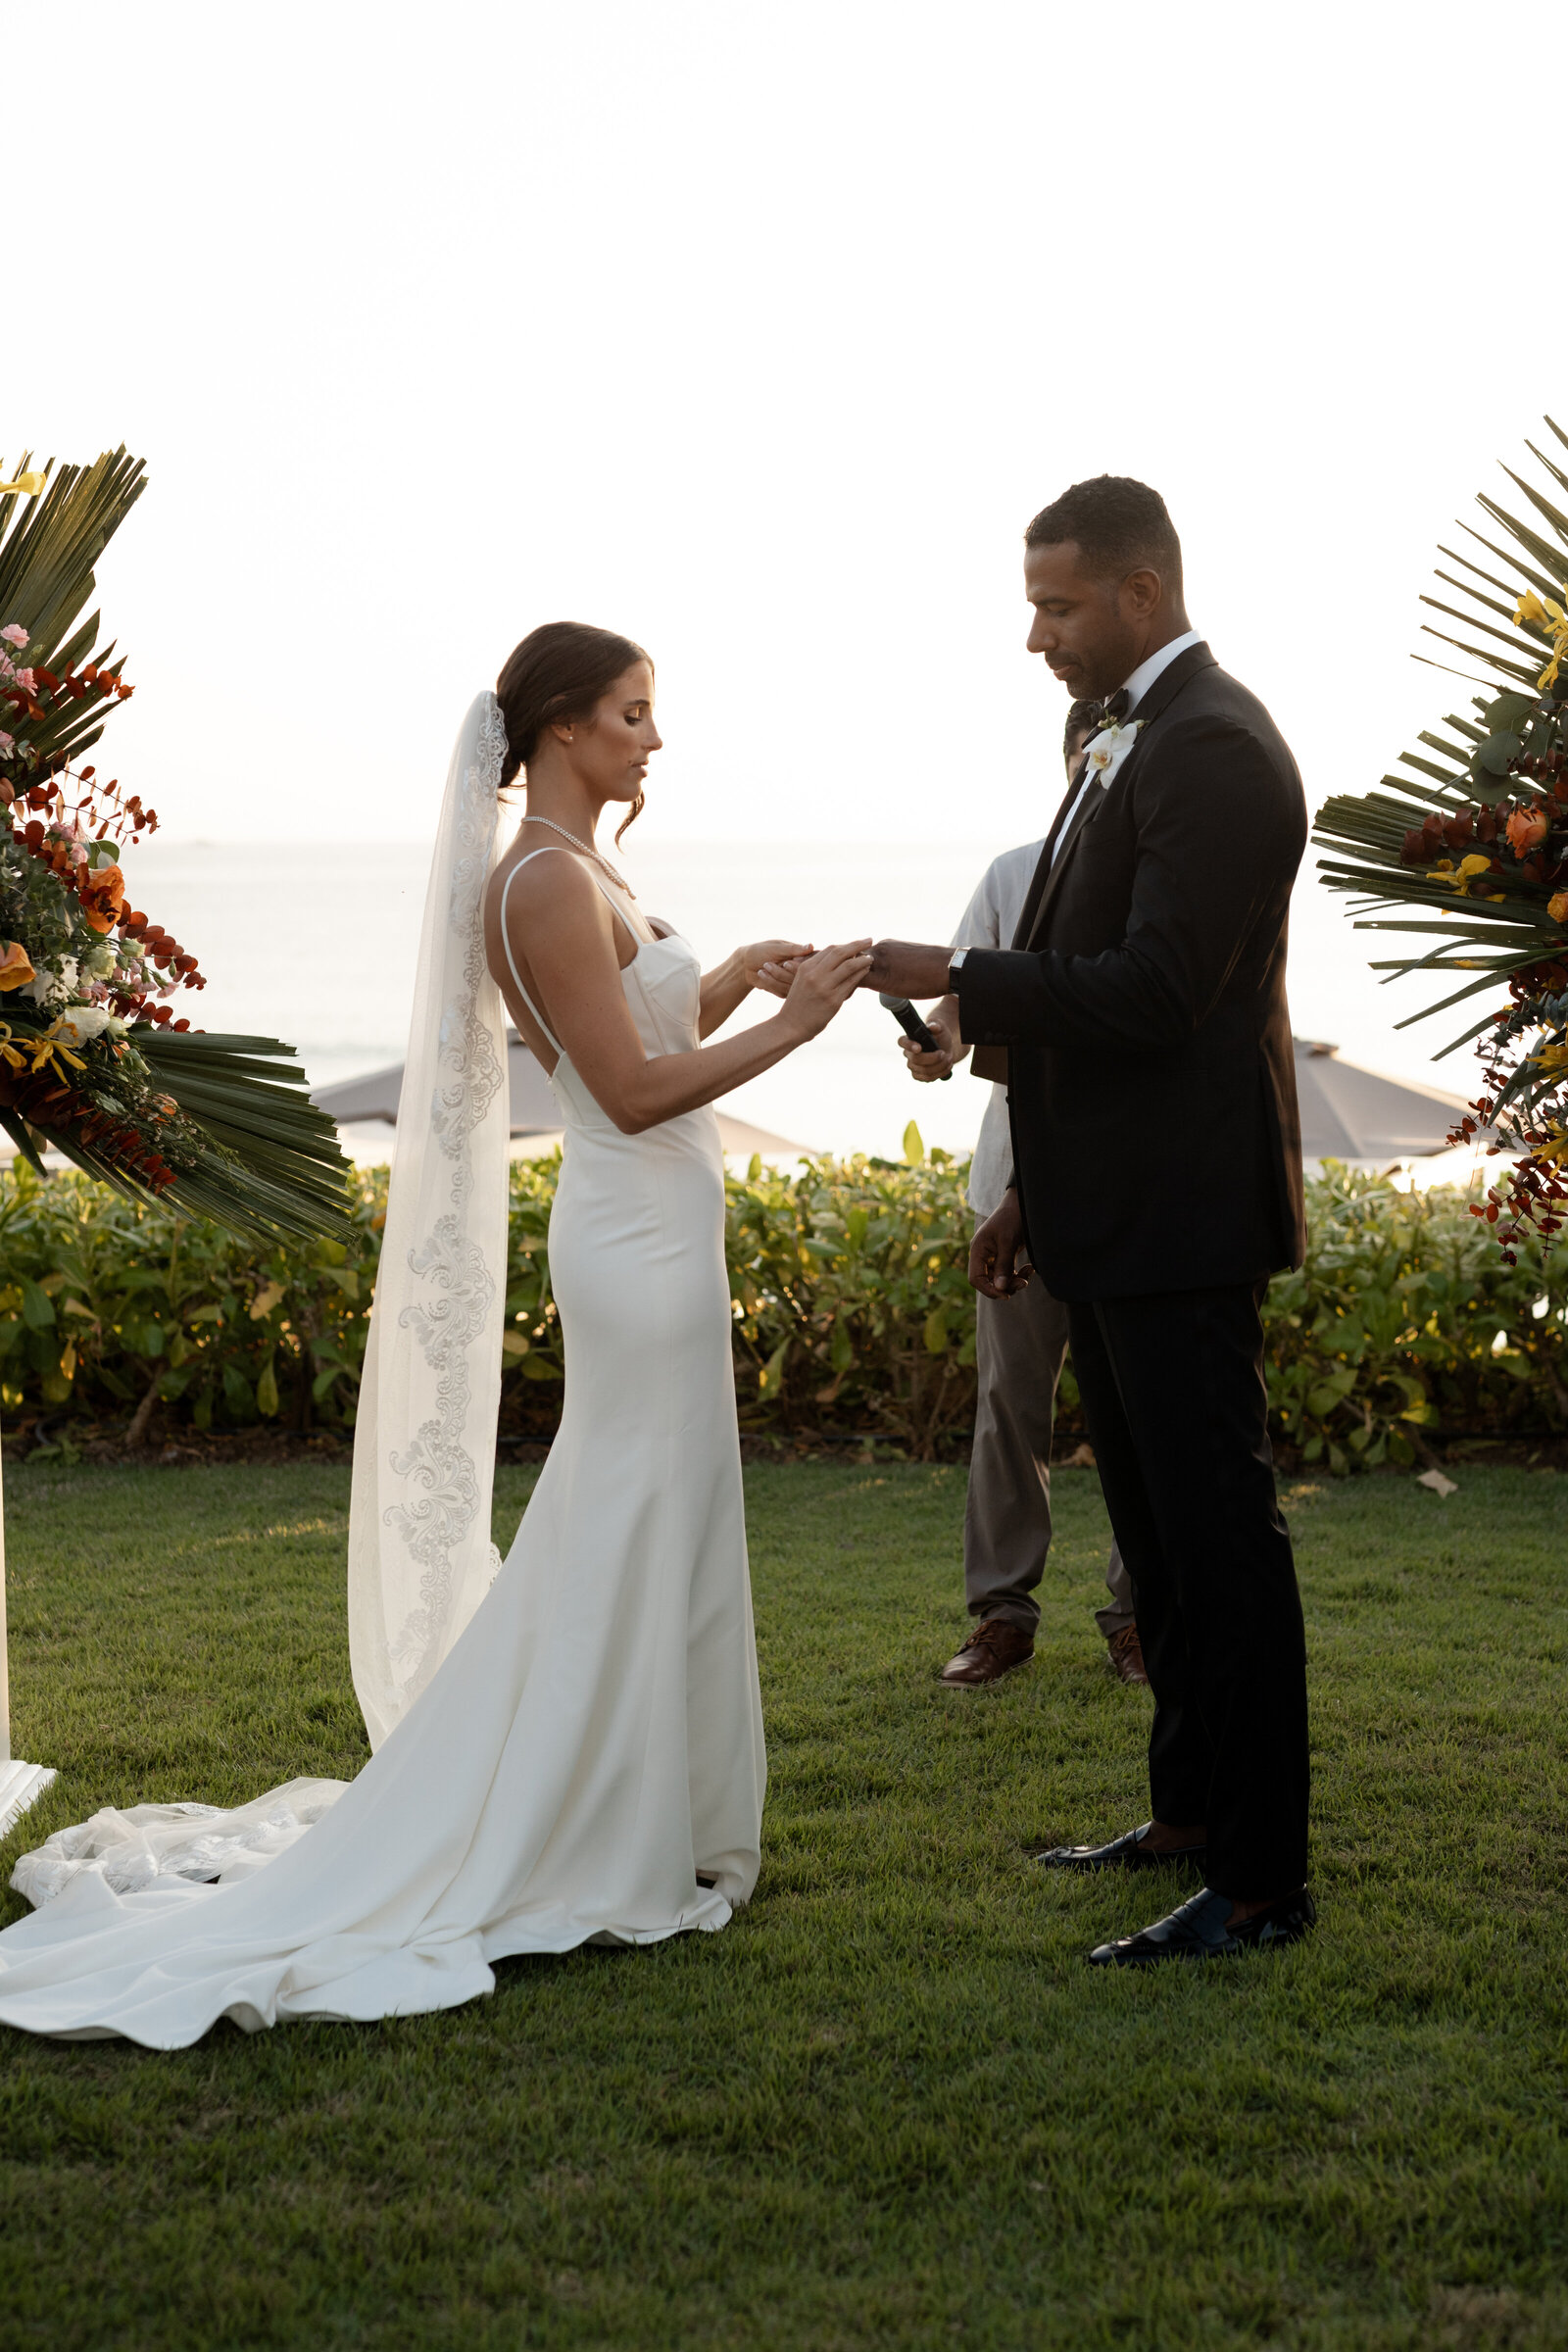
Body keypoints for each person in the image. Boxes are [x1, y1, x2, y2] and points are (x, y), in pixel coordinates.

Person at [0, 622, 872, 2044]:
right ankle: (592, 1818)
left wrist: (738, 980)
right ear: (564, 728)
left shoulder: (579, 868)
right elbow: (626, 1091)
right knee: (628, 1516)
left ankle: (652, 1803)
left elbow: (636, 1037)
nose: (655, 739)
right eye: (635, 713)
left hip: (657, 1227)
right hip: (635, 1238)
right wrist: (808, 1023)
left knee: (660, 1513)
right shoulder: (534, 880)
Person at [863, 476, 1313, 1969]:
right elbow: (1086, 969)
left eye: (1058, 605)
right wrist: (1028, 1201)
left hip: (1185, 1220)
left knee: (1220, 1548)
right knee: (1159, 1547)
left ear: (1140, 591)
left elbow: (1158, 994)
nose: (1038, 635)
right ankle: (1186, 1812)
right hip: (1103, 1213)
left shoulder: (1221, 749)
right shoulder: (1115, 739)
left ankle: (1259, 1886)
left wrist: (955, 969)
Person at [901, 700, 1144, 1690]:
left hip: (1134, 1186)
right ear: (1067, 765)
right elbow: (957, 1011)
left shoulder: (1157, 884)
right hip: (1013, 1178)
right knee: (1011, 1406)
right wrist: (935, 1046)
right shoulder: (1011, 875)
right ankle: (1002, 1615)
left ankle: (1139, 1616)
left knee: (1135, 1410)